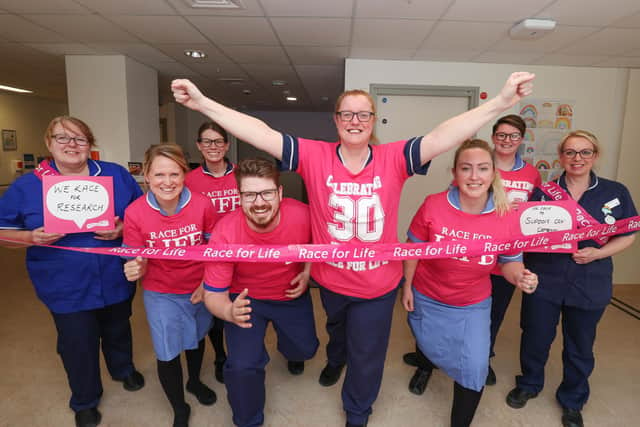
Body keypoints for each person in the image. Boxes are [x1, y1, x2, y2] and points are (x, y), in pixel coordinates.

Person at [171, 71, 535, 427]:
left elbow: (443, 136)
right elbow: (261, 134)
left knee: (367, 356)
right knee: (337, 336)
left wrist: (501, 103)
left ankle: (358, 412)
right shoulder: (315, 155)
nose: (355, 120)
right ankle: (335, 360)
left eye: (363, 113)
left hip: (377, 286)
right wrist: (203, 104)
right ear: (337, 120)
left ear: (373, 120)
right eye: (347, 113)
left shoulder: (394, 157)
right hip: (331, 281)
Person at [0, 116, 145, 427]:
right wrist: (30, 237)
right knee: (77, 340)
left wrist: (121, 228)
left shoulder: (116, 175)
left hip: (115, 273)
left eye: (79, 138)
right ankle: (85, 398)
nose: (71, 145)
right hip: (63, 282)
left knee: (118, 326)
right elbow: (3, 232)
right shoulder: (28, 186)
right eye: (62, 138)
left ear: (90, 144)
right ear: (49, 143)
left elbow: (141, 215)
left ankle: (123, 368)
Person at [401, 139, 538, 427]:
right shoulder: (433, 204)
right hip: (427, 293)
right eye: (466, 168)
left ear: (493, 174)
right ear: (455, 173)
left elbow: (510, 262)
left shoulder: (506, 216)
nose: (474, 176)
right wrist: (407, 286)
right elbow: (413, 248)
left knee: (475, 366)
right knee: (428, 344)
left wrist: (520, 276)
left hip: (472, 303)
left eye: (482, 168)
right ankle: (425, 367)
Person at [506, 130, 637, 427]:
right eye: (570, 152)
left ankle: (573, 399)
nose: (577, 158)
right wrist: (518, 218)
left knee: (580, 345)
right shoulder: (543, 193)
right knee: (536, 336)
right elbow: (527, 235)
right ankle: (529, 383)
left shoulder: (616, 192)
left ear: (595, 156)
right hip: (545, 278)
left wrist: (597, 254)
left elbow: (627, 236)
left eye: (585, 152)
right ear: (561, 156)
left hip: (590, 280)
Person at [203, 158, 319, 427]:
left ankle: (290, 351)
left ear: (280, 193)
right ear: (239, 197)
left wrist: (307, 271)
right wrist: (228, 311)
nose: (259, 202)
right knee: (243, 366)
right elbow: (213, 295)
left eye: (267, 193)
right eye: (250, 194)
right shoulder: (226, 231)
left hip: (290, 295)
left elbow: (320, 243)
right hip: (244, 302)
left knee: (305, 349)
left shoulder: (303, 214)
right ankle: (248, 420)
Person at [123, 144, 217, 427]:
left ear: (184, 174)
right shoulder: (135, 212)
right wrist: (135, 267)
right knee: (167, 350)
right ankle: (179, 407)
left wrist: (206, 283)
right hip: (160, 291)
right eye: (159, 174)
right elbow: (135, 257)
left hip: (198, 285)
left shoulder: (202, 204)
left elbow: (214, 249)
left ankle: (194, 382)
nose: (168, 182)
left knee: (197, 338)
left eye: (174, 173)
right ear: (147, 177)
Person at [185, 121, 240, 383]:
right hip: (209, 256)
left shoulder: (242, 175)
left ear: (227, 145)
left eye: (218, 141)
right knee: (215, 310)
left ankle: (243, 353)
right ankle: (221, 355)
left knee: (244, 304)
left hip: (242, 253)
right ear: (199, 146)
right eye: (207, 141)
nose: (213, 147)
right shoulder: (188, 180)